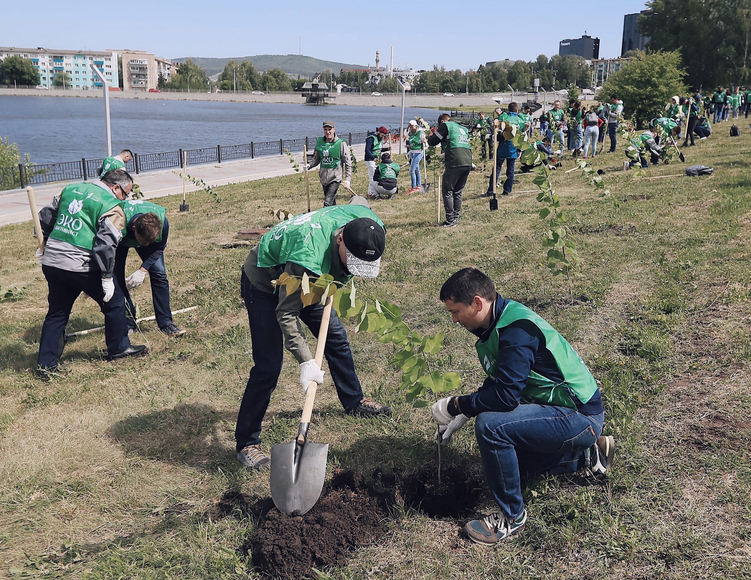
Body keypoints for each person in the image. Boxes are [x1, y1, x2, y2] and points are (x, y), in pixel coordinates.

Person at [431, 267, 613, 545]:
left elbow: (506, 397)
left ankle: (512, 518)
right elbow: (502, 379)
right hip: (564, 412)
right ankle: (590, 457)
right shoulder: (500, 320)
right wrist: (467, 410)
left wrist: (457, 405)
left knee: (491, 427)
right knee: (509, 468)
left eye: (455, 312)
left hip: (579, 416)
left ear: (478, 303)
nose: (454, 320)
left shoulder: (516, 330)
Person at [235, 201, 392, 468]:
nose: (354, 270)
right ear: (340, 239)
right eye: (351, 262)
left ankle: (354, 400)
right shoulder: (308, 258)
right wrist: (307, 361)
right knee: (268, 366)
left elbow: (358, 204)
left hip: (317, 278)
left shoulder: (369, 226)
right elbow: (286, 313)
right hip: (265, 282)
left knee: (336, 339)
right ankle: (247, 442)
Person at [35, 169, 148, 378]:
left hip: (52, 262)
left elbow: (44, 217)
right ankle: (119, 349)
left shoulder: (71, 189)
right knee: (115, 302)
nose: (126, 198)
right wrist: (107, 277)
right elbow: (105, 245)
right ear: (115, 187)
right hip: (80, 265)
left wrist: (45, 244)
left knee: (57, 313)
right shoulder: (111, 206)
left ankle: (46, 366)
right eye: (126, 193)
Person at [115, 199, 185, 338]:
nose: (146, 245)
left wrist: (143, 269)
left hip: (139, 235)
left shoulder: (163, 224)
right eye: (144, 241)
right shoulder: (117, 221)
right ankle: (128, 322)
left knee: (160, 275)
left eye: (150, 241)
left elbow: (159, 248)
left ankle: (166, 323)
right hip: (120, 240)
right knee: (117, 279)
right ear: (134, 228)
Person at [427, 113, 473, 228]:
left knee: (447, 190)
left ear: (442, 121)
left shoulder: (446, 125)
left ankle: (450, 220)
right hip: (467, 160)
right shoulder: (462, 128)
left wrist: (430, 137)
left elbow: (433, 141)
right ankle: (455, 218)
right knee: (458, 191)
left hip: (455, 159)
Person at [307, 121, 352, 206]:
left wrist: (347, 179)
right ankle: (336, 217)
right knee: (332, 202)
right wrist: (309, 165)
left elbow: (348, 162)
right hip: (324, 178)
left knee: (327, 202)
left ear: (334, 129)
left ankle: (324, 218)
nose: (327, 132)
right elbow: (316, 158)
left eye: (329, 129)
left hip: (335, 178)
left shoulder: (341, 144)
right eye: (325, 129)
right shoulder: (320, 142)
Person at [486, 102, 524, 198]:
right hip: (514, 147)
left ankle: (491, 190)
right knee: (510, 170)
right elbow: (523, 130)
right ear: (516, 110)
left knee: (497, 168)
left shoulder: (505, 118)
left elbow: (496, 125)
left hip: (504, 146)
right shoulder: (520, 120)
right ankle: (507, 190)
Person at [365, 126, 389, 198]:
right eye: (382, 135)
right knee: (373, 176)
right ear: (378, 132)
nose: (382, 137)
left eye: (383, 136)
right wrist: (373, 158)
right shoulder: (371, 138)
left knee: (376, 176)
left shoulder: (379, 139)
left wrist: (387, 149)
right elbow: (367, 150)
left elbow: (379, 149)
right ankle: (373, 193)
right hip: (370, 159)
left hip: (377, 159)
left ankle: (370, 192)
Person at [405, 120, 426, 194]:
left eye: (412, 126)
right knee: (417, 170)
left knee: (411, 170)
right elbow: (411, 141)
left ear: (416, 126)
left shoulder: (420, 132)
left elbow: (425, 143)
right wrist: (409, 147)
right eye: (410, 126)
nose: (411, 128)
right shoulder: (411, 133)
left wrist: (424, 141)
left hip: (419, 152)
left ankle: (413, 187)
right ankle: (419, 185)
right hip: (413, 152)